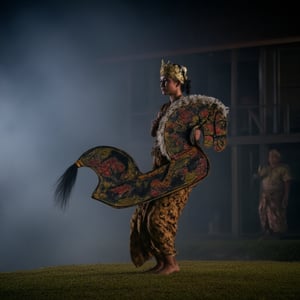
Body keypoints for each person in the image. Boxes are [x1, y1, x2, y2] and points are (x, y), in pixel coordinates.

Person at [129, 60, 201, 275]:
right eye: (161, 80)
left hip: (178, 173)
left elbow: (196, 136)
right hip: (160, 170)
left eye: (166, 80)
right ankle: (161, 262)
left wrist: (188, 134)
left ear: (178, 82)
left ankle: (172, 264)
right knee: (144, 214)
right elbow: (154, 133)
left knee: (160, 216)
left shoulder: (188, 107)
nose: (162, 84)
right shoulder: (165, 107)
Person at [257, 149, 292, 238]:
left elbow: (287, 182)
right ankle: (267, 230)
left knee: (276, 213)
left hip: (277, 195)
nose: (272, 159)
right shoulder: (266, 169)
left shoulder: (283, 169)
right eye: (270, 157)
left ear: (278, 158)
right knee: (263, 211)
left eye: (274, 157)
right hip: (265, 194)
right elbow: (259, 177)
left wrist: (286, 196)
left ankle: (278, 231)